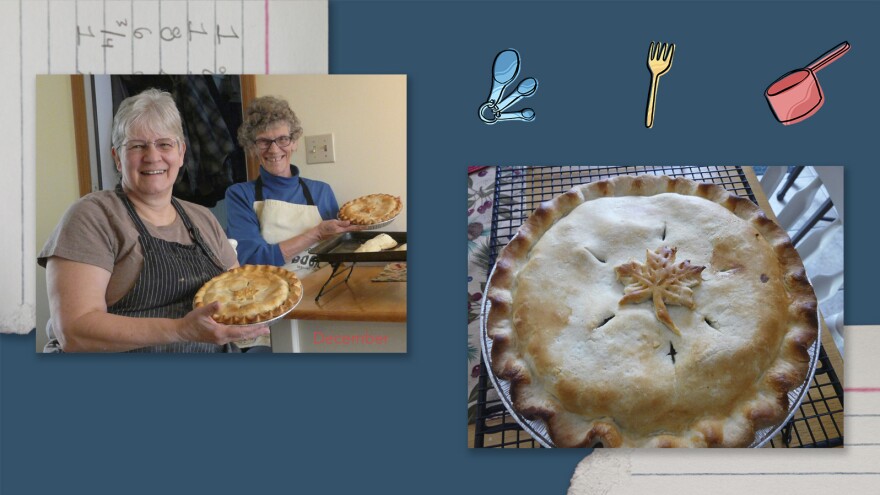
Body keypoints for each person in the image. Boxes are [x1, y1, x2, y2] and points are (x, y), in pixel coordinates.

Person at [38, 88, 268, 353]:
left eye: (164, 144)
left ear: (181, 153)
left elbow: (237, 292)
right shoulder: (92, 217)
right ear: (117, 158)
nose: (152, 156)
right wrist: (181, 330)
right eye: (137, 146)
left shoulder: (202, 218)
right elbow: (75, 332)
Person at [225, 96, 360, 279]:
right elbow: (251, 260)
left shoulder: (321, 191)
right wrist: (316, 234)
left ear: (294, 142)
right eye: (264, 141)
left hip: (321, 293)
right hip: (271, 297)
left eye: (282, 139)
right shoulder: (240, 195)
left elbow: (337, 252)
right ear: (252, 147)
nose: (274, 150)